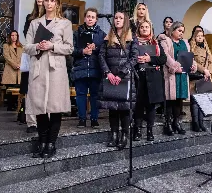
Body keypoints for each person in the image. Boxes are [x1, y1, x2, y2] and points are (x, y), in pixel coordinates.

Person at [24, 0, 73, 158]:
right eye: (47, 0)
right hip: (38, 67)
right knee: (40, 108)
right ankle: (42, 142)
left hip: (55, 69)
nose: (49, 3)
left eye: (52, 0)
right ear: (43, 3)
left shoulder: (64, 23)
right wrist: (38, 46)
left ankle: (51, 144)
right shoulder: (34, 23)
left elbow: (69, 48)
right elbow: (26, 47)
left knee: (55, 107)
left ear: (57, 3)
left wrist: (52, 46)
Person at [98, 11, 138, 150]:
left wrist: (121, 74)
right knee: (112, 108)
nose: (117, 20)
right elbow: (101, 56)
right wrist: (108, 72)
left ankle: (124, 135)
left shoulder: (132, 38)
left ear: (125, 20)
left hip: (125, 78)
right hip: (110, 77)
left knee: (124, 109)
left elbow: (134, 58)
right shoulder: (107, 37)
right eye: (116, 18)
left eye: (121, 18)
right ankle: (114, 134)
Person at [158, 22, 196, 136]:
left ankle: (177, 122)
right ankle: (168, 123)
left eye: (183, 31)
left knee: (179, 100)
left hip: (182, 75)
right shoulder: (166, 41)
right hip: (171, 75)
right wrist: (175, 67)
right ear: (173, 30)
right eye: (179, 31)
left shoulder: (185, 43)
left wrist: (192, 65)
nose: (181, 33)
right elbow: (166, 57)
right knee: (170, 99)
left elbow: (188, 56)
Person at [71, 8, 106, 128]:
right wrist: (82, 51)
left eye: (93, 17)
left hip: (95, 68)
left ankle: (94, 118)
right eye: (88, 16)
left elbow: (105, 51)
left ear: (96, 19)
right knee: (80, 94)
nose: (90, 19)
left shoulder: (102, 35)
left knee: (95, 95)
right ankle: (81, 118)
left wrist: (96, 48)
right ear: (85, 18)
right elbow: (71, 50)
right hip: (80, 68)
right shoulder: (76, 33)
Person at [134, 20, 167, 141]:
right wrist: (137, 60)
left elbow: (163, 59)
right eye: (142, 27)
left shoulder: (156, 43)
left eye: (147, 27)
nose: (144, 29)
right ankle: (137, 130)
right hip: (139, 77)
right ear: (138, 29)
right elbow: (129, 58)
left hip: (153, 77)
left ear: (151, 29)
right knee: (139, 104)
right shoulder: (134, 43)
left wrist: (149, 59)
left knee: (151, 105)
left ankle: (150, 130)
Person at [20, 0, 47, 132]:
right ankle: (31, 122)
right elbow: (27, 36)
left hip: (47, 55)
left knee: (45, 88)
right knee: (31, 89)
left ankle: (44, 118)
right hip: (33, 54)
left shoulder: (51, 18)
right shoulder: (30, 18)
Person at [189, 28, 212, 132]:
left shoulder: (206, 48)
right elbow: (192, 61)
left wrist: (208, 72)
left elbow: (211, 62)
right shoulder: (192, 48)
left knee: (203, 100)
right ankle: (195, 123)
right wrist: (204, 70)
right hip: (196, 77)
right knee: (195, 100)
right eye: (198, 36)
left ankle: (201, 122)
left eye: (202, 35)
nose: (200, 37)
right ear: (195, 37)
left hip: (205, 77)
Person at [2, 30, 23, 111]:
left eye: (15, 35)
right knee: (10, 89)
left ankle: (15, 105)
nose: (14, 37)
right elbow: (7, 57)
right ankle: (10, 106)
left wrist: (20, 64)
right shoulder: (6, 45)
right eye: (12, 35)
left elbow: (23, 57)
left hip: (19, 71)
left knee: (17, 88)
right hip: (10, 70)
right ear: (10, 37)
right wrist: (15, 65)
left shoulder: (21, 46)